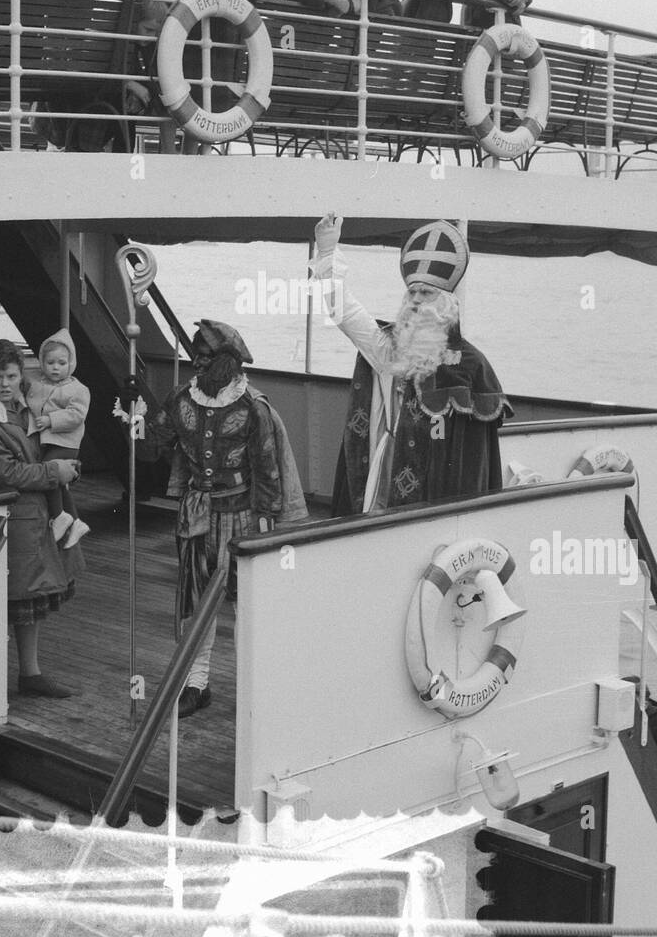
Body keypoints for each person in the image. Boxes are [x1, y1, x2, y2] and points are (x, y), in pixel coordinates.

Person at [149, 320, 306, 717]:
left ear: (228, 363)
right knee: (194, 602)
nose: (196, 364)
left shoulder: (253, 407)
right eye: (195, 356)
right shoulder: (181, 398)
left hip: (242, 516)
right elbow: (159, 441)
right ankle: (196, 683)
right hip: (196, 517)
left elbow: (267, 469)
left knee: (244, 603)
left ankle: (252, 687)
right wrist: (138, 416)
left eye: (205, 357)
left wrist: (267, 523)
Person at [311, 214, 510, 515]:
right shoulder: (389, 348)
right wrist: (327, 253)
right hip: (385, 467)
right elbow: (346, 315)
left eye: (426, 292)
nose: (416, 299)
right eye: (412, 292)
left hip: (439, 483)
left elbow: (469, 454)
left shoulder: (470, 364)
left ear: (446, 303)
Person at [0, 338, 84, 699]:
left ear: (21, 376)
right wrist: (54, 471)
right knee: (6, 601)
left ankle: (29, 673)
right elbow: (6, 472)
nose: (4, 383)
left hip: (34, 514)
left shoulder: (24, 405)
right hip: (6, 515)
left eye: (12, 375)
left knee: (28, 600)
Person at [25, 328, 91, 548]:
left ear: (70, 363)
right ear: (42, 362)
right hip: (49, 441)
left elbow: (77, 415)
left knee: (49, 472)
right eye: (50, 362)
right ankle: (76, 521)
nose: (55, 367)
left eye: (61, 363)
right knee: (59, 483)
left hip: (66, 442)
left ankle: (60, 515)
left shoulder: (78, 389)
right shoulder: (38, 383)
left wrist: (51, 419)